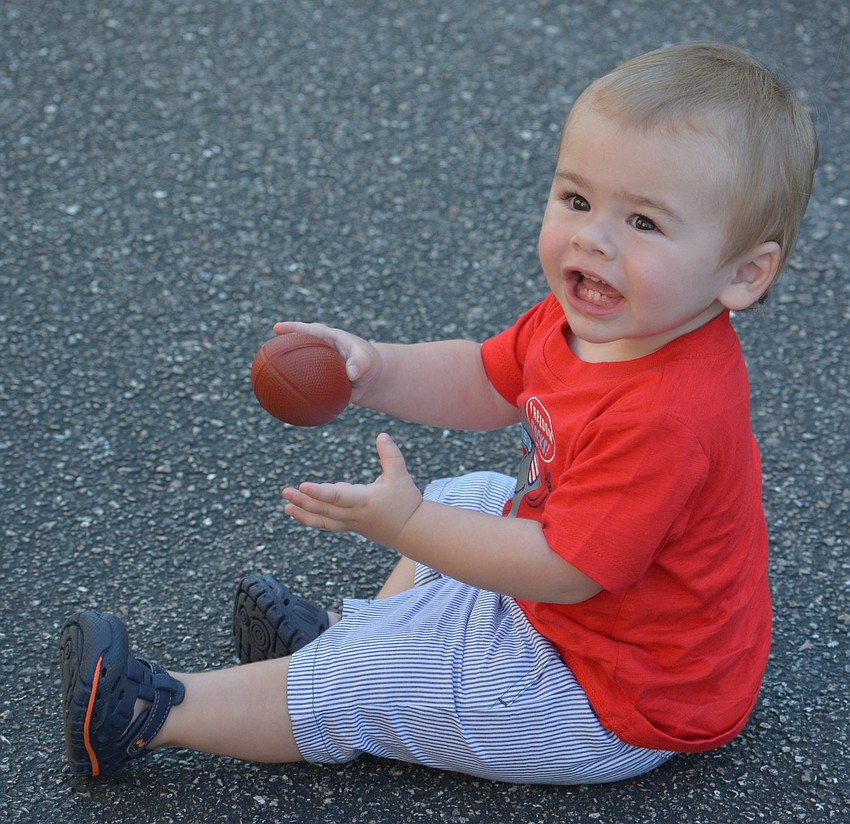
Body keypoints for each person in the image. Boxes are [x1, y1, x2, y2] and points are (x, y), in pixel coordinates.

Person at [59, 41, 818, 785]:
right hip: (586, 623)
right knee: (478, 495)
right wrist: (374, 368)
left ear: (744, 274)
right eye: (578, 200)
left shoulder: (669, 414)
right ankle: (343, 652)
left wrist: (406, 525)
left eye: (645, 223)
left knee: (375, 670)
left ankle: (149, 714)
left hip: (608, 697)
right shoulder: (594, 321)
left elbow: (563, 571)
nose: (594, 237)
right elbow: (488, 380)